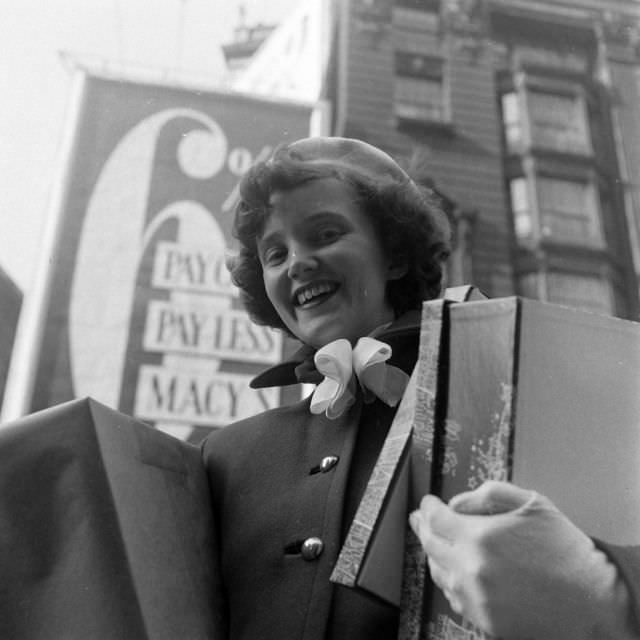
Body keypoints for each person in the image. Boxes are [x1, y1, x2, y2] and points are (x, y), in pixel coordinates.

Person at [200, 136, 640, 639]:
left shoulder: (515, 399)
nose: (297, 261)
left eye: (325, 233)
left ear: (394, 258)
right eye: (275, 253)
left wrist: (605, 595)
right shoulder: (224, 456)